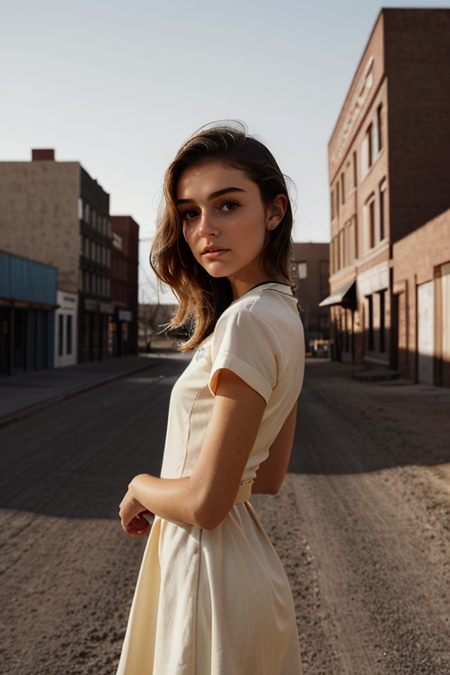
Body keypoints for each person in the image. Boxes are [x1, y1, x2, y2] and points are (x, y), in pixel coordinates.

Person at [117, 122, 305, 675]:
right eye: (190, 212)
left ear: (275, 211)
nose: (204, 230)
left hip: (207, 578)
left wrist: (140, 488)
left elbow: (205, 505)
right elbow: (266, 477)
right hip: (243, 572)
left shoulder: (246, 323)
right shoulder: (284, 313)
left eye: (226, 205)